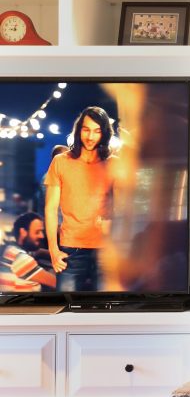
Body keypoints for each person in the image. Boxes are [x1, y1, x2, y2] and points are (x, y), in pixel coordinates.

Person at [45, 106, 116, 292]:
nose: (90, 137)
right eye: (86, 129)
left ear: (104, 134)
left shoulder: (112, 164)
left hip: (107, 252)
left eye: (97, 131)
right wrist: (53, 249)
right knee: (66, 310)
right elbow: (50, 209)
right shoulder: (60, 161)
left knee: (108, 314)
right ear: (78, 130)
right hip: (71, 251)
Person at [1, 212, 57, 292]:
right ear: (23, 232)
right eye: (37, 232)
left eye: (42, 231)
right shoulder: (21, 259)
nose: (42, 236)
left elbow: (38, 252)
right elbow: (56, 283)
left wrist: (53, 254)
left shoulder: (10, 250)